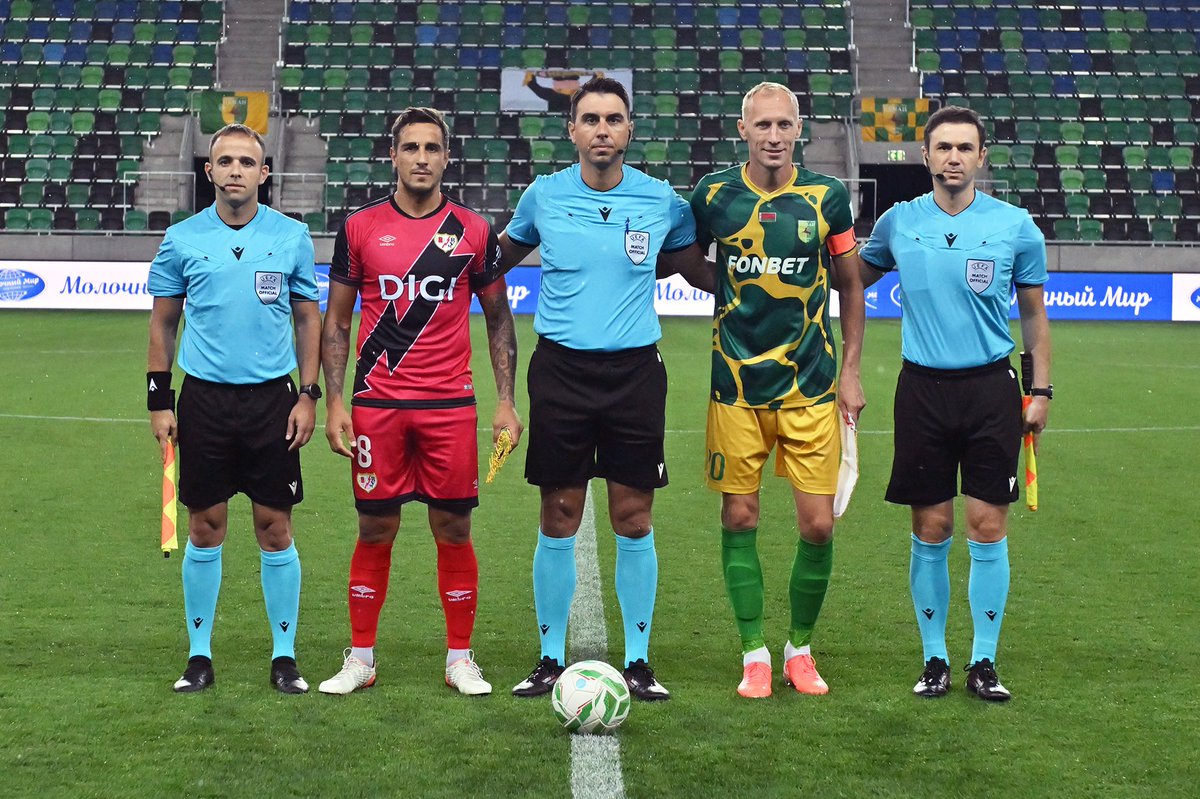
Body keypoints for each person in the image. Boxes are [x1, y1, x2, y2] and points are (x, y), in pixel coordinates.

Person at [497, 77, 700, 701]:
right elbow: (489, 266)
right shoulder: (543, 196)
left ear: (630, 130)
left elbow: (694, 269)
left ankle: (638, 661)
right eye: (590, 119)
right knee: (559, 513)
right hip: (560, 372)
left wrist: (770, 279)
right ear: (572, 130)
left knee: (632, 516)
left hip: (635, 374)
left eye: (614, 119)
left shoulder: (662, 201)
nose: (602, 129)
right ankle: (550, 657)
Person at [317, 107, 521, 697]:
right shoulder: (359, 227)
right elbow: (336, 322)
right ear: (393, 156)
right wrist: (336, 403)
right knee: (374, 526)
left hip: (449, 405)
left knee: (453, 527)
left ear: (447, 158)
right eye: (411, 148)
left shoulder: (473, 230)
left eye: (433, 148)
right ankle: (361, 658)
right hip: (376, 405)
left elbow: (499, 319)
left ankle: (460, 658)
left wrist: (506, 402)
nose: (422, 158)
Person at [858, 105, 1052, 701]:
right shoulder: (897, 222)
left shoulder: (1015, 226)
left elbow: (1034, 317)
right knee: (932, 526)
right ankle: (935, 659)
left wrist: (1040, 389)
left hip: (992, 391)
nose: (953, 158)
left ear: (981, 157)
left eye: (965, 148)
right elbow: (850, 279)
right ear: (926, 156)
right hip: (922, 391)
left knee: (987, 527)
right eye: (943, 147)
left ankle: (984, 662)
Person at [685, 82, 867, 698]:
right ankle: (754, 652)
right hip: (735, 387)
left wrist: (851, 371)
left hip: (811, 385)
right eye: (762, 125)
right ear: (743, 130)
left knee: (818, 526)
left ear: (798, 130)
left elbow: (851, 284)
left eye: (784, 125)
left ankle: (800, 649)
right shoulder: (714, 195)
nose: (773, 136)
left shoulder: (827, 197)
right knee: (740, 515)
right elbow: (684, 257)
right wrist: (728, 286)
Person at [147, 123, 321, 694]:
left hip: (273, 401)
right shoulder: (182, 238)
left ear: (264, 173)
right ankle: (199, 657)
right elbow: (163, 322)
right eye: (225, 161)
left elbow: (308, 319)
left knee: (275, 528)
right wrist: (159, 401)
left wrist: (309, 394)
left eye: (247, 162)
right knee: (205, 528)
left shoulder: (292, 236)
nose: (236, 171)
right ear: (209, 171)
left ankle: (284, 658)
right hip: (204, 402)